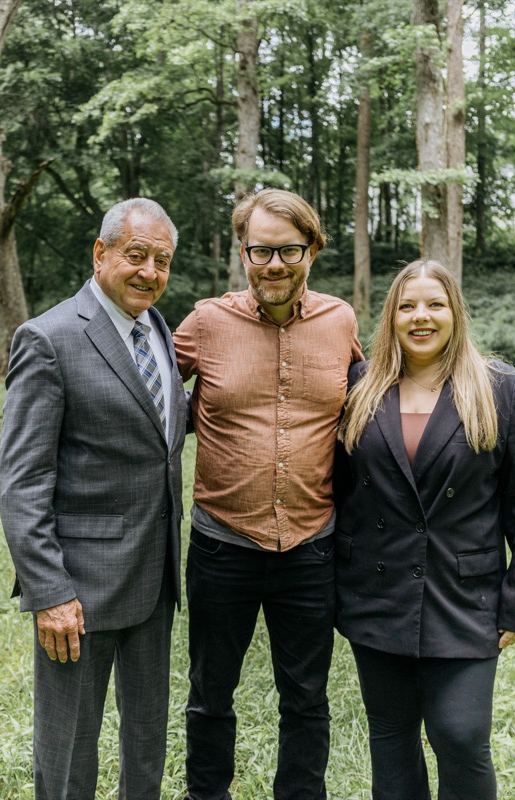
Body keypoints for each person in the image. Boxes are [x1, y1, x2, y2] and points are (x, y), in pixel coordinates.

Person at [0, 197, 188, 800]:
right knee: (69, 749)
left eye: (162, 261)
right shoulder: (48, 338)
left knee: (147, 742)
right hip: (79, 590)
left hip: (155, 581)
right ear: (101, 253)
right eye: (137, 256)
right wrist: (49, 592)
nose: (150, 272)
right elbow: (21, 481)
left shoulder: (159, 329)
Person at [174, 188, 363, 799]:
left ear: (313, 250)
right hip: (222, 545)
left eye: (289, 251)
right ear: (242, 251)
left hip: (311, 548)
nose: (275, 265)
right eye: (261, 251)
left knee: (307, 698)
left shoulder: (341, 321)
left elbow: (375, 398)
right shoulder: (205, 322)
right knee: (210, 693)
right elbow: (133, 380)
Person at [334, 259, 515, 799]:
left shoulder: (501, 388)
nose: (420, 317)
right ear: (391, 316)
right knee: (390, 737)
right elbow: (339, 491)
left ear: (455, 311)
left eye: (434, 304)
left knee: (461, 734)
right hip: (377, 593)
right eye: (407, 306)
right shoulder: (360, 385)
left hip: (465, 595)